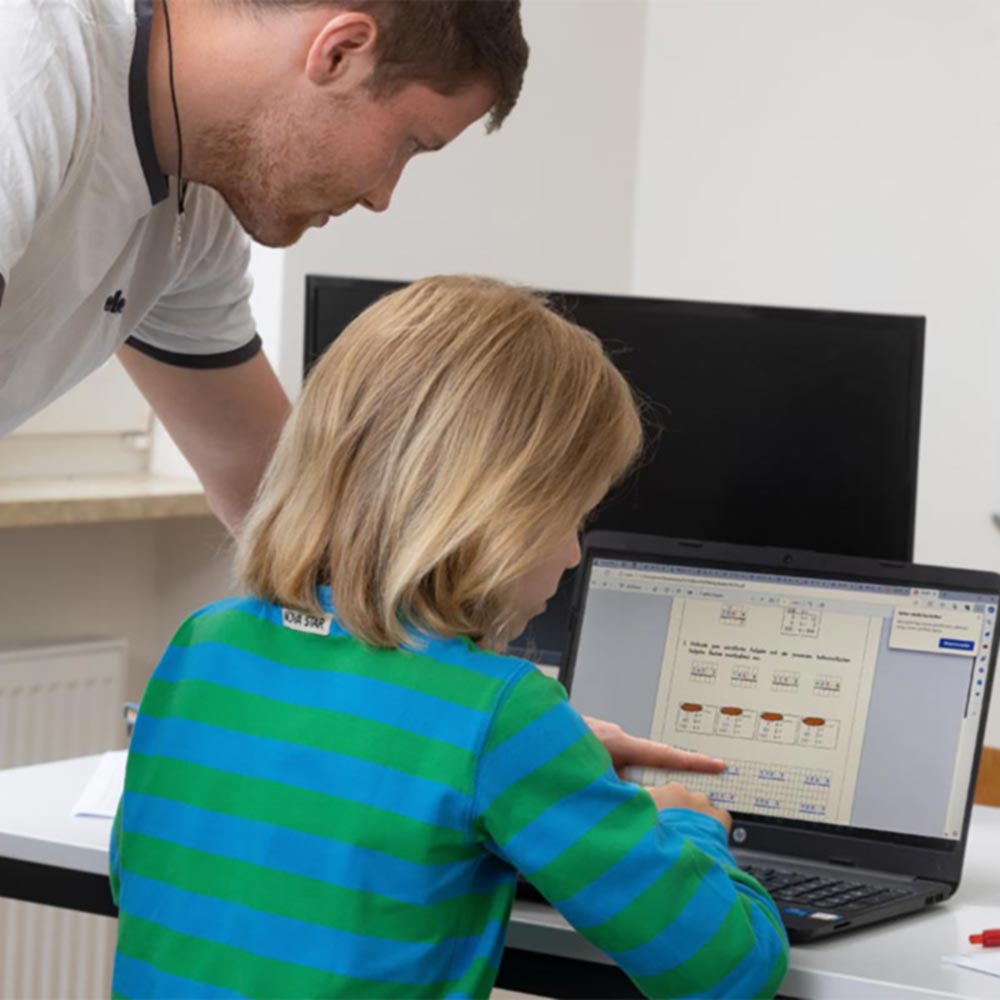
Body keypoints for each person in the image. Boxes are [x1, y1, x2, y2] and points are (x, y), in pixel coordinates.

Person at [110, 276, 790, 998]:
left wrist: (541, 767)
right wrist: (691, 829)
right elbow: (726, 972)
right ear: (498, 512)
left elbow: (139, 875)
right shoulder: (499, 714)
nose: (573, 554)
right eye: (573, 518)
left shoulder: (202, 646)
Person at [0, 0, 527, 530]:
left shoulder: (196, 207)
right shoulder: (27, 61)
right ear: (340, 52)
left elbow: (277, 507)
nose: (383, 195)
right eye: (408, 144)